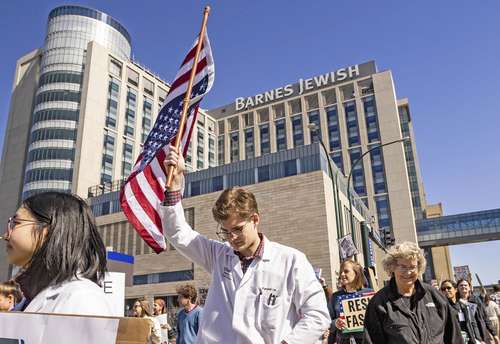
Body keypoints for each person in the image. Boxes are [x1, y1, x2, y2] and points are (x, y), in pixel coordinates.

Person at [160, 146, 331, 344]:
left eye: (238, 229)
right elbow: (178, 233)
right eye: (225, 231)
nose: (231, 238)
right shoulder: (218, 255)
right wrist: (176, 183)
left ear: (255, 219)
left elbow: (317, 315)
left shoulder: (291, 261)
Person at [4, 192, 112, 315]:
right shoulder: (28, 298)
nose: (6, 235)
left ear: (48, 230)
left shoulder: (83, 298)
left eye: (15, 223)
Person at [363, 241, 463, 344]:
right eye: (403, 266)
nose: (408, 272)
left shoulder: (435, 296)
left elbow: (455, 337)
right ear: (392, 267)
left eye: (412, 267)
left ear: (419, 267)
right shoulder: (379, 303)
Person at [328, 259, 372, 344]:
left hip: (366, 340)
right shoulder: (335, 297)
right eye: (341, 272)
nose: (342, 274)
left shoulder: (369, 293)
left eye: (346, 271)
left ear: (356, 273)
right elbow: (327, 321)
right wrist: (336, 323)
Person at [458, 279, 496, 343]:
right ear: (457, 288)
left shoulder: (476, 300)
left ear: (469, 288)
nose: (463, 286)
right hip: (465, 336)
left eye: (465, 285)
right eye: (461, 285)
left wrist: (493, 333)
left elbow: (484, 317)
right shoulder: (456, 302)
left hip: (480, 334)